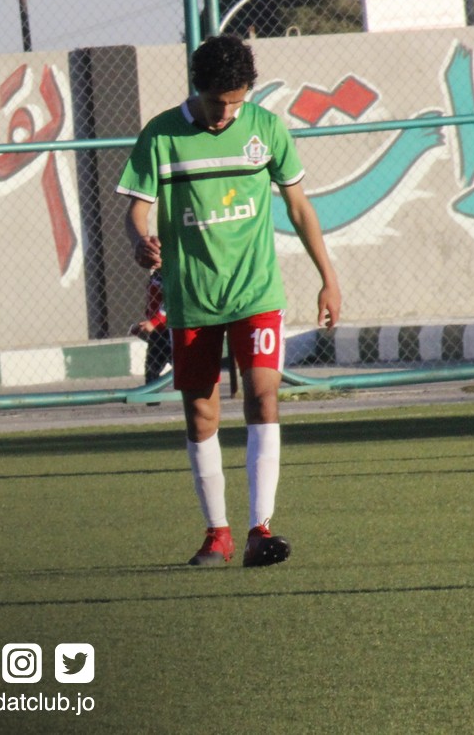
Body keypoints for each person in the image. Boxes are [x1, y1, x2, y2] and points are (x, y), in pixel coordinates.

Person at [116, 35, 341, 568]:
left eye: (237, 101)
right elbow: (136, 212)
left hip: (256, 292)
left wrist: (328, 278)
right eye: (218, 102)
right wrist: (140, 242)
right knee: (201, 412)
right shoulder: (161, 135)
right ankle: (217, 534)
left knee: (264, 395)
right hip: (192, 295)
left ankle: (260, 529)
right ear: (198, 89)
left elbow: (299, 207)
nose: (226, 113)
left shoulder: (266, 128)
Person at [130, 270, 172, 386]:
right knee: (151, 368)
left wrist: (155, 322)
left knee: (179, 364)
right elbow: (153, 302)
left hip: (169, 329)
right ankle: (151, 392)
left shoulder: (169, 274)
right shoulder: (155, 276)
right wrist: (148, 321)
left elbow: (170, 302)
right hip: (157, 332)